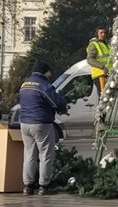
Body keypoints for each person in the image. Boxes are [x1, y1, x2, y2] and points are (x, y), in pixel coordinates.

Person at [19, 61, 67, 196]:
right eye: (49, 72)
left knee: (29, 154)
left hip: (25, 124)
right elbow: (56, 102)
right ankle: (43, 187)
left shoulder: (24, 84)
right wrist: (63, 104)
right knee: (45, 154)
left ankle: (27, 186)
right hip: (41, 123)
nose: (50, 74)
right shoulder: (43, 85)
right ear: (44, 72)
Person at [86, 26, 112, 96]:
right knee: (103, 97)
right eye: (101, 33)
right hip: (100, 74)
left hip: (107, 74)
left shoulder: (106, 45)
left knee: (108, 97)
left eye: (104, 33)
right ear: (97, 34)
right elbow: (90, 59)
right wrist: (102, 67)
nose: (103, 34)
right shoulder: (94, 44)